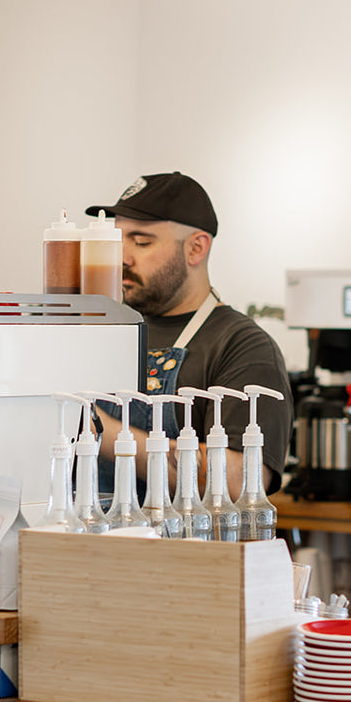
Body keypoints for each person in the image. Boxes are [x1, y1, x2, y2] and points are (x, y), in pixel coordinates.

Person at [86, 171, 294, 494]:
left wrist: (95, 429)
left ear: (196, 249)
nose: (122, 257)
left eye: (141, 242)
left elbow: (239, 481)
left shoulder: (242, 346)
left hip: (178, 544)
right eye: (118, 240)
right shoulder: (109, 331)